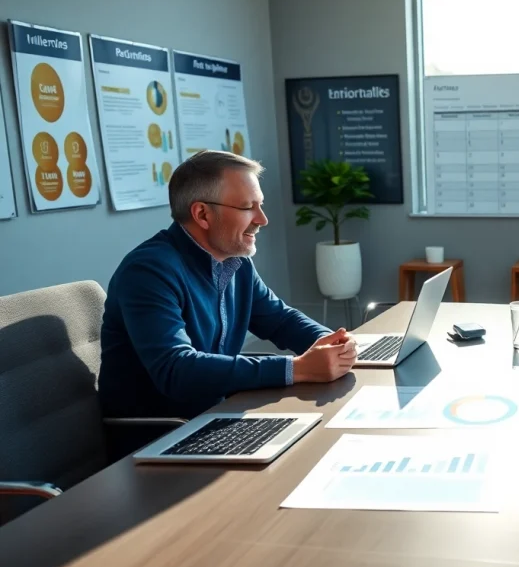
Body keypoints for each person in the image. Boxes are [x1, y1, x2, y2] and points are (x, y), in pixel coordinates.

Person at [99, 150, 356, 421]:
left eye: (260, 205)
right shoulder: (148, 271)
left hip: (218, 416)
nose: (262, 219)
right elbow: (176, 370)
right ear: (202, 214)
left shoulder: (235, 261)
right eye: (248, 207)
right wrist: (298, 369)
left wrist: (332, 343)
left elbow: (280, 320)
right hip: (158, 437)